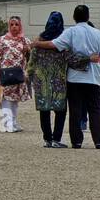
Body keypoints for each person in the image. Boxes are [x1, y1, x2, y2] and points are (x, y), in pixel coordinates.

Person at [34, 4, 100, 149]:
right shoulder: (98, 33)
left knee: (75, 109)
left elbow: (53, 44)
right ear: (88, 17)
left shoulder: (71, 32)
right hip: (93, 77)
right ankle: (99, 140)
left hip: (74, 77)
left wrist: (37, 43)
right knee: (95, 109)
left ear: (74, 17)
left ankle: (77, 141)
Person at [28, 11, 69, 147]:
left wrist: (30, 76)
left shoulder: (39, 39)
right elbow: (70, 59)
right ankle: (56, 139)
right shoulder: (64, 39)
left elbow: (32, 61)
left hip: (41, 79)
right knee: (60, 111)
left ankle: (47, 139)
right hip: (59, 80)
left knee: (44, 110)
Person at [0, 15, 32, 133]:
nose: (14, 27)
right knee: (7, 99)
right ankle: (8, 123)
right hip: (5, 73)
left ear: (20, 26)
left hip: (19, 74)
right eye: (12, 24)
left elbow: (31, 57)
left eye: (17, 24)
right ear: (9, 26)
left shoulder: (25, 40)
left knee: (15, 99)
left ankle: (13, 122)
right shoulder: (1, 40)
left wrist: (28, 50)